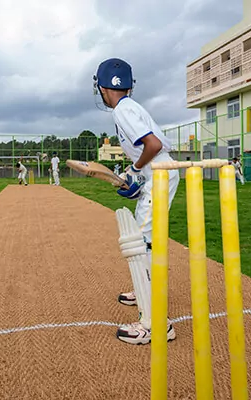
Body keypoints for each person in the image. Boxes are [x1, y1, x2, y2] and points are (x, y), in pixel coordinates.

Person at [93, 58, 180, 345]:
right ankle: (143, 288)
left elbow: (153, 145)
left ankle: (155, 323)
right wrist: (138, 178)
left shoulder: (122, 110)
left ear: (101, 87)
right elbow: (151, 148)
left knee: (141, 243)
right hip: (158, 173)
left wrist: (134, 170)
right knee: (145, 239)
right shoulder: (130, 106)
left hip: (159, 173)